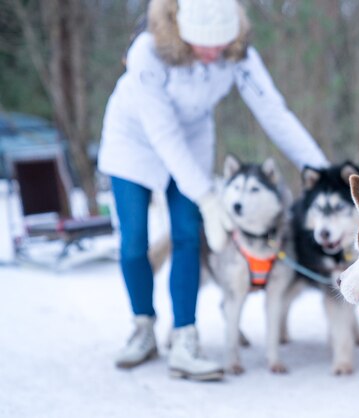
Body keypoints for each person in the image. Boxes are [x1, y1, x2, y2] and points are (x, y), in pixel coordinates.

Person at [98, 0, 328, 381]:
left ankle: (186, 337)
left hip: (191, 143)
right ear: (181, 30)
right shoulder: (147, 52)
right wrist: (206, 196)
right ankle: (143, 327)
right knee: (134, 241)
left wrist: (321, 173)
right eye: (202, 45)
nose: (211, 54)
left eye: (219, 45)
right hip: (133, 145)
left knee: (189, 235)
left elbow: (273, 111)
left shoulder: (238, 55)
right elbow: (162, 132)